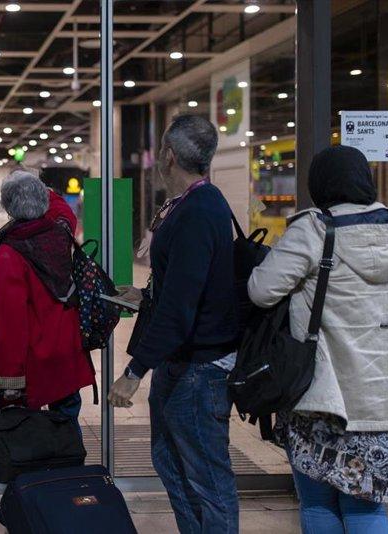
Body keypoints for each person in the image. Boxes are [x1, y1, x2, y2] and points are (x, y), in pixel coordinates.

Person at [247, 145, 388, 534]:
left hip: (325, 399)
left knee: (319, 504)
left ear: (319, 184)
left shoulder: (313, 230)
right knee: (368, 511)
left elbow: (261, 291)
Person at [108, 115, 239, 533]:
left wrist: (133, 372)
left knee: (208, 481)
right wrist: (145, 296)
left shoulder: (199, 211)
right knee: (170, 464)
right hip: (181, 366)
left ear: (168, 155)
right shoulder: (188, 205)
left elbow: (182, 307)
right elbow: (184, 287)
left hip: (200, 371)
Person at [0, 170, 94, 430]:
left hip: (36, 363)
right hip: (67, 353)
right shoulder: (61, 231)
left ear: (8, 207)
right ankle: (71, 470)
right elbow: (60, 206)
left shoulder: (9, 253)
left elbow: (10, 325)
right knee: (67, 430)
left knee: (31, 439)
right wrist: (34, 186)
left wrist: (8, 384)